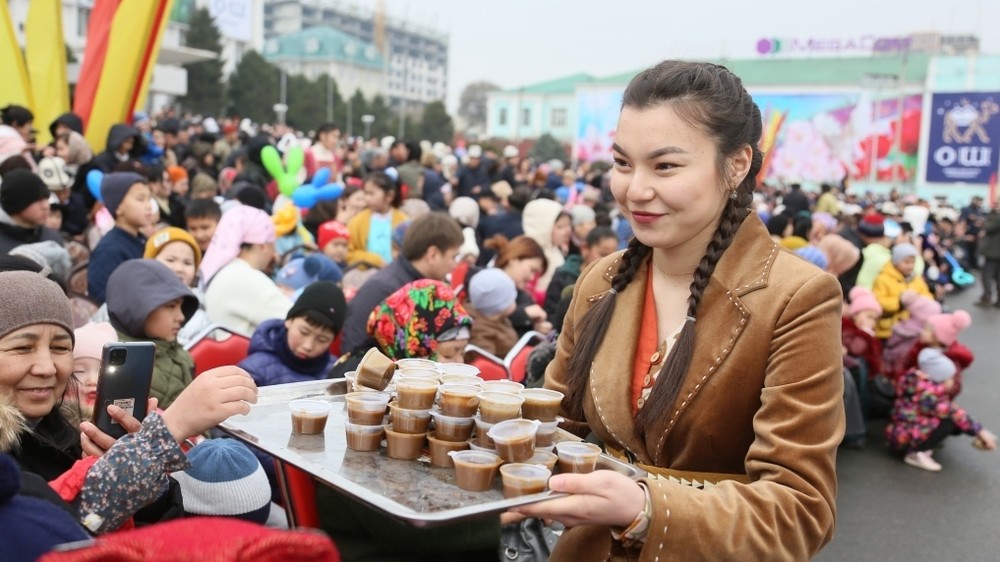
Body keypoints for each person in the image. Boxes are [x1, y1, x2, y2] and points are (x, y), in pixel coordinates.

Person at [515, 61, 843, 560]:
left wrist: (649, 508)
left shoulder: (797, 298)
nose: (635, 190)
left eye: (665, 166)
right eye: (623, 163)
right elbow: (556, 426)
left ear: (736, 165)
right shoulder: (602, 279)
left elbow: (799, 511)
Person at [0, 269, 258, 535]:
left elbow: (154, 532)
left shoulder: (69, 431)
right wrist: (161, 437)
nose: (47, 368)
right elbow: (50, 532)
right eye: (22, 348)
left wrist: (132, 463)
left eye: (60, 347)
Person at [338, 212, 463, 355]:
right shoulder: (382, 289)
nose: (455, 265)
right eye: (454, 257)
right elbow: (354, 351)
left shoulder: (429, 288)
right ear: (432, 254)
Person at [885, 347, 996, 471]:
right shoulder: (929, 395)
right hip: (905, 439)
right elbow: (954, 414)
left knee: (954, 421)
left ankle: (919, 445)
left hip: (900, 431)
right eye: (950, 378)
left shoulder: (916, 381)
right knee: (949, 423)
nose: (953, 381)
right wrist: (979, 432)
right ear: (939, 377)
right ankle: (915, 453)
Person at [106, 260, 198, 408]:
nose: (181, 317)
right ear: (137, 307)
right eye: (171, 306)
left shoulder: (178, 354)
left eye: (181, 306)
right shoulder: (120, 367)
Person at [201, 205, 291, 337]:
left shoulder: (229, 271)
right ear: (263, 245)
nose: (274, 252)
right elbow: (296, 320)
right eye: (273, 243)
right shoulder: (245, 277)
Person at [240, 281, 346, 387]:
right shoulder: (254, 370)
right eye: (304, 332)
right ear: (289, 321)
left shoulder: (338, 371)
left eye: (322, 339)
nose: (308, 346)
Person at [87, 172, 154, 303]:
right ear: (118, 207)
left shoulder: (141, 240)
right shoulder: (109, 250)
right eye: (140, 199)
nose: (149, 206)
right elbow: (102, 298)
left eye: (149, 199)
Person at [482, 234, 552, 335]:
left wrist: (537, 327)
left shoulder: (522, 295)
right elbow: (485, 318)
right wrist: (523, 314)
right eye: (532, 270)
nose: (531, 278)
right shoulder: (485, 284)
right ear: (513, 259)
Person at [346, 172, 408, 267]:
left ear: (389, 196)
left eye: (371, 194)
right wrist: (374, 260)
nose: (367, 198)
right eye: (366, 193)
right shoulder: (357, 221)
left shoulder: (403, 220)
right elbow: (349, 253)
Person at [871, 243, 933, 339]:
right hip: (887, 330)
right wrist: (900, 302)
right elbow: (878, 302)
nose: (910, 266)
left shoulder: (916, 279)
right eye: (906, 262)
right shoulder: (882, 279)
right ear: (896, 261)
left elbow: (928, 297)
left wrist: (917, 300)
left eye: (913, 262)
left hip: (911, 328)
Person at [63, 322, 119, 429]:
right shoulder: (55, 420)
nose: (93, 380)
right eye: (79, 371)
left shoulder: (134, 412)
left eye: (103, 371)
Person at [0, 169, 64, 255]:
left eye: (46, 199)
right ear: (17, 203)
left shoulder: (52, 238)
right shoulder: (3, 250)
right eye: (38, 200)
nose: (46, 206)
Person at [466, 268, 519, 358]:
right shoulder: (481, 333)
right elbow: (487, 365)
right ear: (500, 304)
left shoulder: (497, 317)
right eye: (510, 296)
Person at [976, 198, 1000, 307]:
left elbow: (989, 227)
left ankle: (987, 297)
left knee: (987, 274)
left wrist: (985, 221)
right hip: (995, 252)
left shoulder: (997, 217)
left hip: (993, 252)